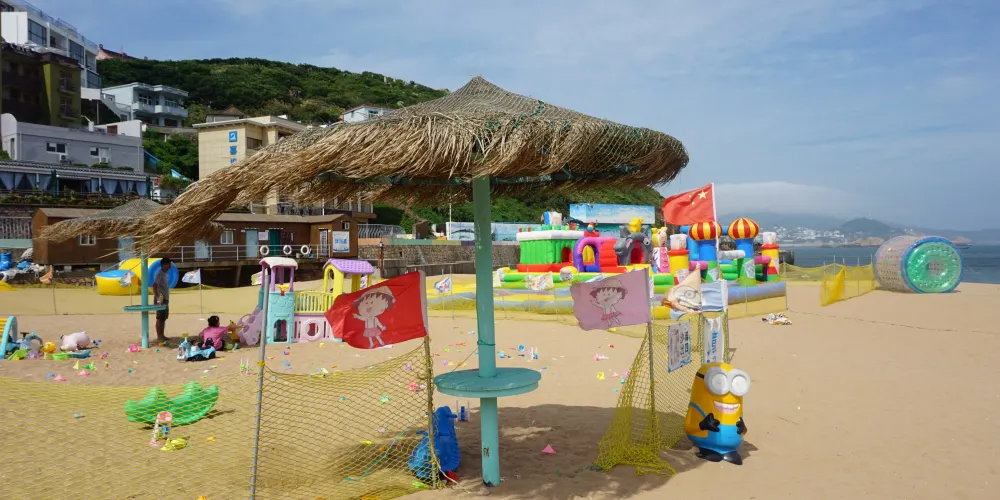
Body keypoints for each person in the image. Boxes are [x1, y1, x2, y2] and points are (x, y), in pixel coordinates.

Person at [152, 257, 172, 345]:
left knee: (164, 317)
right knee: (160, 317)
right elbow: (154, 285)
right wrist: (157, 298)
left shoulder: (165, 274)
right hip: (160, 298)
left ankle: (162, 335)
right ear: (164, 265)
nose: (170, 265)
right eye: (168, 264)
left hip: (165, 298)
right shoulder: (159, 273)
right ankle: (159, 336)